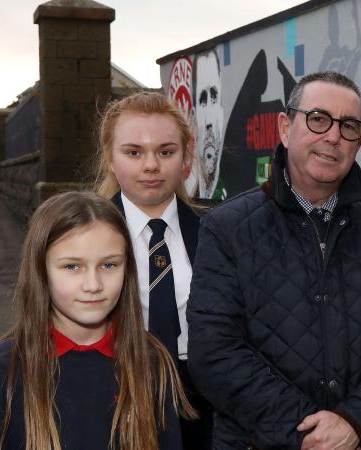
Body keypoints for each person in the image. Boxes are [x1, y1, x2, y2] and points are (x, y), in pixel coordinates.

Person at [188, 71, 361, 449]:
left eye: (349, 126)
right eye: (318, 119)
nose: (333, 136)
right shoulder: (226, 228)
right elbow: (214, 351)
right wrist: (309, 434)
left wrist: (354, 423)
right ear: (285, 128)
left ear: (359, 142)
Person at [0, 191, 194, 449]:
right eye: (72, 267)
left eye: (109, 265)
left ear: (127, 269)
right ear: (40, 270)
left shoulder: (151, 361)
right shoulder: (1, 372)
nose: (93, 285)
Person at [93, 92, 214, 449]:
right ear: (110, 160)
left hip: (205, 412)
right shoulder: (82, 238)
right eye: (134, 152)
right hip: (115, 407)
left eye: (165, 151)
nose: (151, 165)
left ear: (185, 158)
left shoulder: (218, 231)